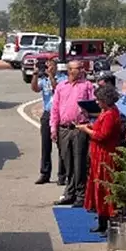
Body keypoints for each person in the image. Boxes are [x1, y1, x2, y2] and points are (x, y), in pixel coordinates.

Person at [50, 59, 96, 207]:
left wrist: (88, 114)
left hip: (79, 128)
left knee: (79, 162)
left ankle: (80, 194)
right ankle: (69, 192)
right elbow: (55, 109)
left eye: (80, 68)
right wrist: (53, 128)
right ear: (69, 70)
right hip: (64, 128)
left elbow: (95, 106)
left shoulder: (87, 86)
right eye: (76, 68)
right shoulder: (61, 86)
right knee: (67, 161)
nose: (79, 71)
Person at [80, 84, 124, 234]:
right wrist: (90, 127)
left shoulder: (111, 114)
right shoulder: (106, 112)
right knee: (99, 188)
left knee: (106, 188)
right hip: (99, 153)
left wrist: (87, 130)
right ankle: (102, 221)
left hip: (106, 154)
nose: (97, 102)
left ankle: (110, 222)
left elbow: (102, 136)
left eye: (99, 99)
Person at [32, 59, 66, 185]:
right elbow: (35, 88)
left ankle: (62, 175)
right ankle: (45, 173)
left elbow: (58, 90)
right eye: (46, 65)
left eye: (50, 65)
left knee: (62, 146)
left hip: (59, 114)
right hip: (47, 113)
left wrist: (51, 76)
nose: (48, 68)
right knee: (46, 146)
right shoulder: (43, 79)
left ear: (56, 66)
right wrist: (35, 75)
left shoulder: (62, 78)